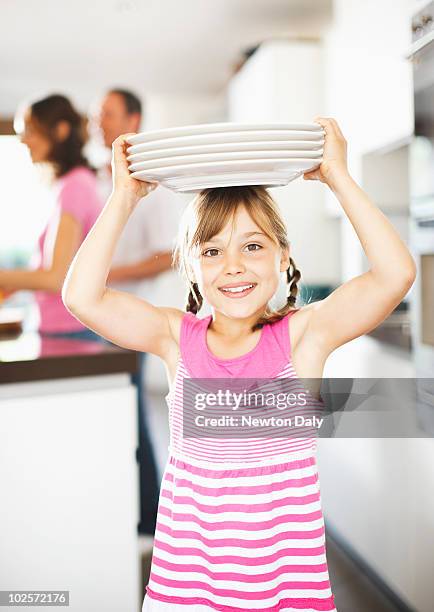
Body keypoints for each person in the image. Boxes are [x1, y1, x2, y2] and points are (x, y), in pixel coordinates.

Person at [62, 117, 416, 611]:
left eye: (253, 246)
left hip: (286, 595)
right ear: (191, 266)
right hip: (187, 592)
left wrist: (337, 175)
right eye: (212, 251)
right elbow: (81, 297)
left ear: (282, 257)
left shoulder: (303, 338)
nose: (233, 266)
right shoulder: (175, 339)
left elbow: (395, 273)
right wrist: (124, 198)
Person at [93, 88, 185, 535]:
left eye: (106, 113)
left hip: (130, 314)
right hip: (106, 311)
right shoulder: (107, 177)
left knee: (131, 418)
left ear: (133, 117)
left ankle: (151, 518)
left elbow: (167, 254)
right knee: (120, 414)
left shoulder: (154, 179)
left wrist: (107, 274)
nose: (99, 122)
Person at [0, 94, 103, 342]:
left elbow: (56, 277)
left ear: (60, 130)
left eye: (31, 131)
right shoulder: (67, 184)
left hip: (71, 330)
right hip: (62, 326)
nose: (24, 140)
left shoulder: (75, 186)